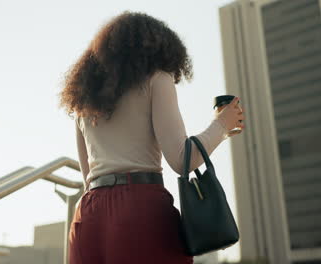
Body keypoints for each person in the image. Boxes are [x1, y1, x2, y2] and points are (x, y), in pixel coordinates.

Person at [58, 11, 245, 264]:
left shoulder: (84, 97)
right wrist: (222, 125)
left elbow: (87, 177)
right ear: (159, 48)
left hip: (89, 217)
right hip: (140, 209)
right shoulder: (157, 78)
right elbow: (182, 160)